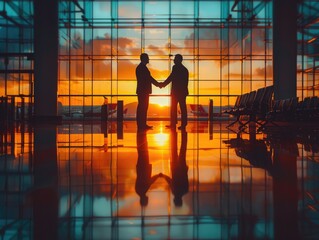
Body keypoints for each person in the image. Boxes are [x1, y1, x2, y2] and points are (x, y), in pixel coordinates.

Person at [161, 54, 189, 130]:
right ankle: (183, 124)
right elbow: (185, 82)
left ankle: (173, 123)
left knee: (174, 108)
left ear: (179, 60)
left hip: (176, 92)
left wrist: (163, 84)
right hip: (182, 92)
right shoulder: (184, 69)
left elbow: (171, 77)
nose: (173, 60)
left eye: (175, 59)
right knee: (182, 108)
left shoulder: (176, 68)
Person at [136, 53, 160, 130]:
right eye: (147, 58)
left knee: (143, 107)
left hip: (142, 91)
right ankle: (141, 124)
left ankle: (142, 124)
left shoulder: (141, 68)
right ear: (144, 59)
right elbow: (149, 79)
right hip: (143, 91)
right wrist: (158, 84)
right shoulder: (142, 68)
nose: (149, 59)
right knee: (142, 107)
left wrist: (158, 84)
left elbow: (148, 78)